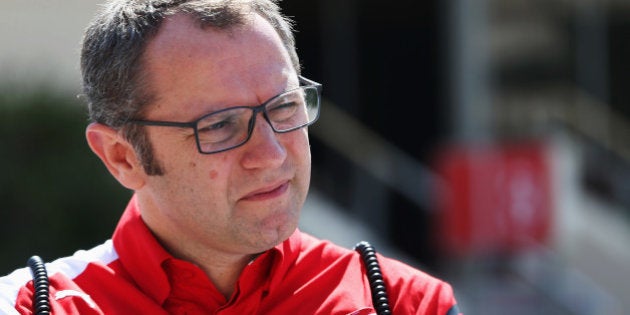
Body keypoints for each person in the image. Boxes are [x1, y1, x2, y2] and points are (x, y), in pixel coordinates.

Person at [0, 0, 462, 314]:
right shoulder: (33, 305)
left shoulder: (404, 304)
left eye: (284, 107)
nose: (270, 152)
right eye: (219, 125)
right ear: (122, 157)